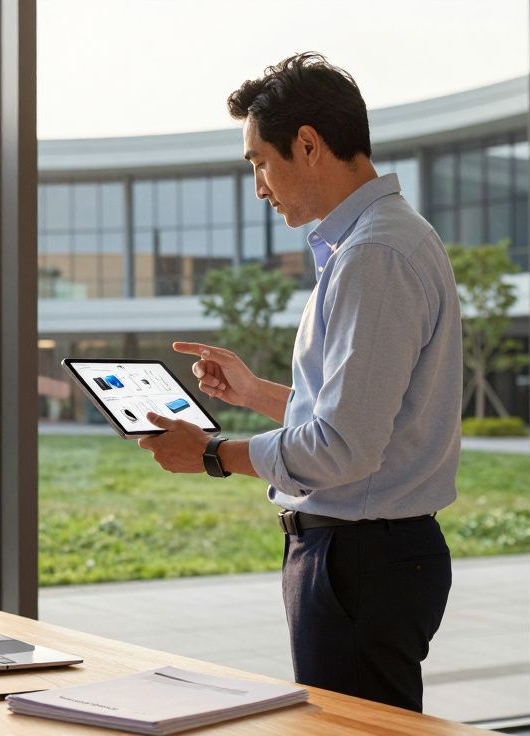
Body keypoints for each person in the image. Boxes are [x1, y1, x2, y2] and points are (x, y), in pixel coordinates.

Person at [136, 52, 461, 712]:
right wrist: (255, 392)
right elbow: (364, 417)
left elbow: (342, 448)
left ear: (308, 144)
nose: (258, 184)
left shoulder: (375, 254)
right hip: (367, 557)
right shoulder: (378, 242)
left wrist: (208, 456)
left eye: (260, 161)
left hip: (360, 561)